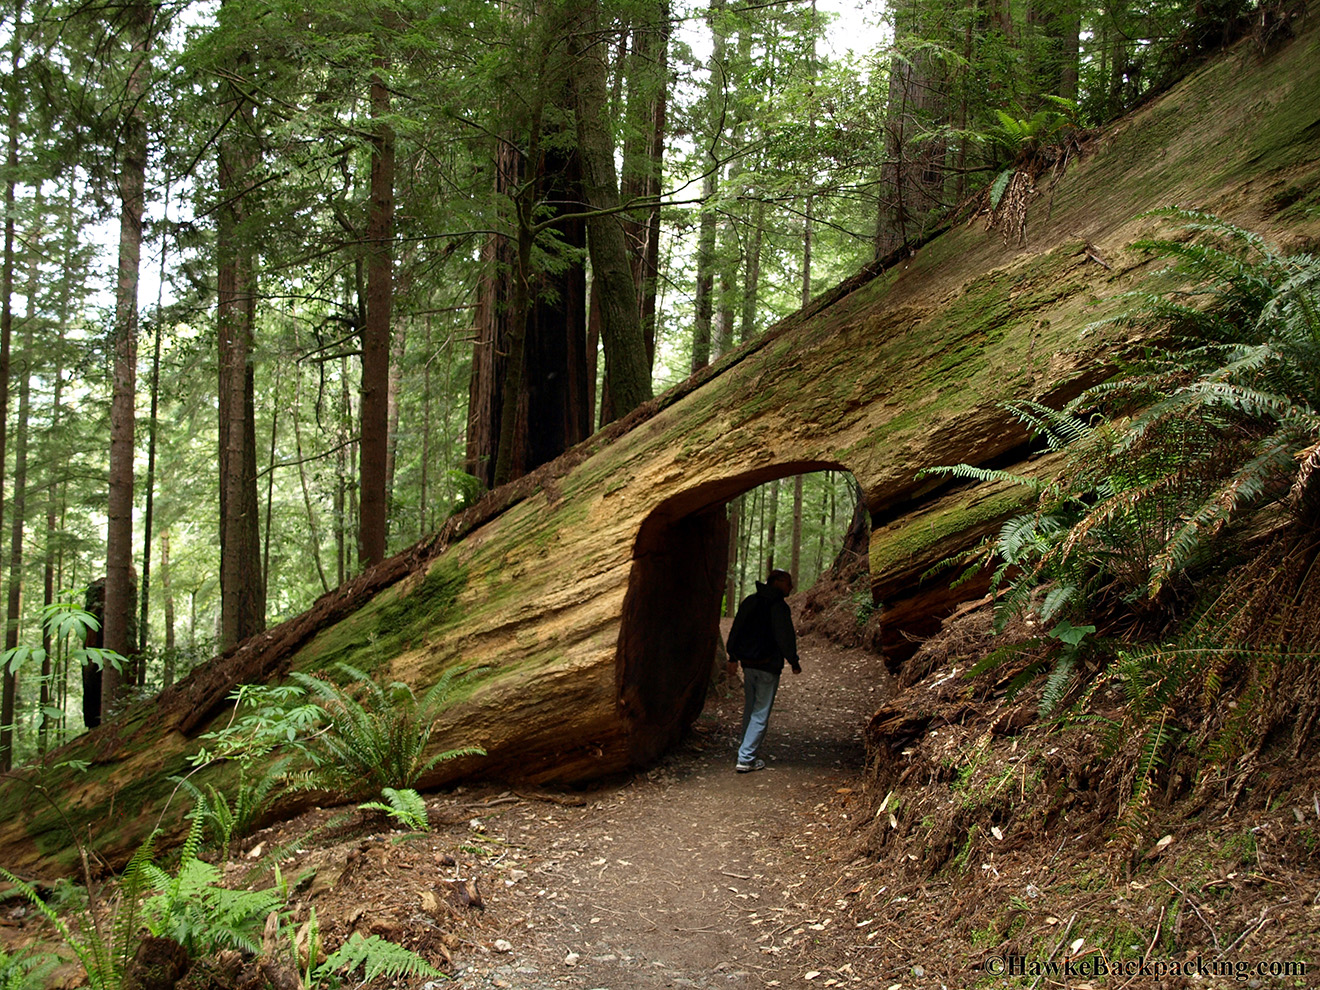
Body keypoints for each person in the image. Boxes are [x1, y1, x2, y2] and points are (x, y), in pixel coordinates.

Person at [725, 569, 802, 773]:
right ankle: (746, 758)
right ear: (776, 582)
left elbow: (736, 628)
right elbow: (784, 637)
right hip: (768, 666)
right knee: (760, 712)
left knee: (751, 709)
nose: (791, 587)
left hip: (749, 664)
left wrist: (732, 656)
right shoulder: (779, 607)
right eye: (788, 583)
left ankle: (745, 750)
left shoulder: (751, 601)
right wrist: (793, 661)